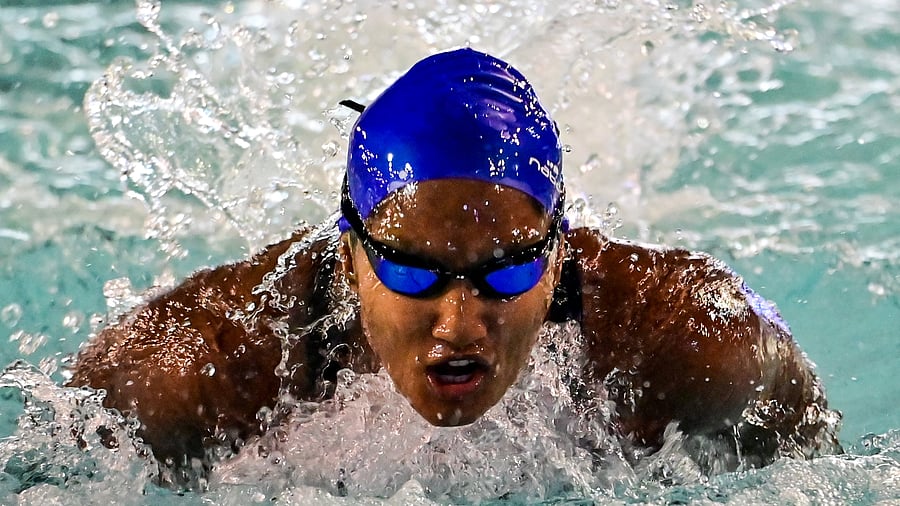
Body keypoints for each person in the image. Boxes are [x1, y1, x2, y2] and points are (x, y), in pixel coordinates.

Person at [68, 48, 840, 473]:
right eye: (413, 271)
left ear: (559, 251)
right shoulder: (199, 369)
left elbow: (833, 472)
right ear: (352, 253)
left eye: (508, 270)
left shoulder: (692, 343)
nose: (461, 321)